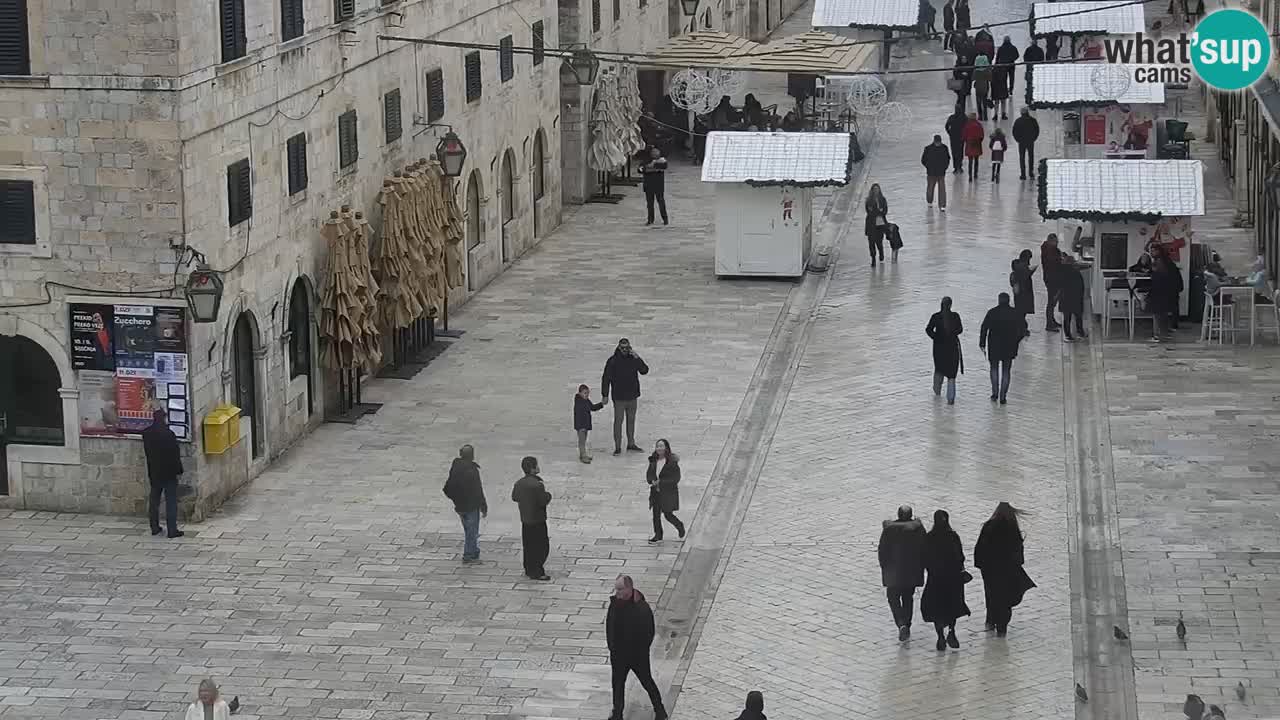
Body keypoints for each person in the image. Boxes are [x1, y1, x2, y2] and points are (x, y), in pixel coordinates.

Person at [607, 575, 668, 720]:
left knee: (647, 681)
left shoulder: (641, 608)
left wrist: (639, 652)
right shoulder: (615, 603)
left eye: (620, 589)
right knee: (617, 684)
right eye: (617, 589)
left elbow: (648, 633)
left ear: (629, 588)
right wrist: (612, 647)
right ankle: (617, 714)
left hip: (637, 656)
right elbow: (610, 625)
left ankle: (660, 711)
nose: (618, 593)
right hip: (618, 654)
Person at [975, 502, 1036, 637]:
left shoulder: (989, 526)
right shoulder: (1012, 529)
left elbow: (980, 548)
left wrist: (981, 565)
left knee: (991, 594)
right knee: (1005, 597)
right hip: (1007, 570)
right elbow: (1018, 552)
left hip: (990, 569)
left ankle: (991, 620)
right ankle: (1002, 626)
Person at [921, 509, 970, 651]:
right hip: (953, 578)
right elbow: (960, 556)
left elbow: (924, 557)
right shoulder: (953, 536)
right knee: (952, 606)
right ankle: (951, 631)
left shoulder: (930, 537)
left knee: (937, 608)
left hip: (935, 579)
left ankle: (940, 636)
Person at [878, 505, 927, 641]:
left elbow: (883, 551)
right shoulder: (918, 529)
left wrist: (885, 567)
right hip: (911, 572)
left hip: (893, 572)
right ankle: (907, 624)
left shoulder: (889, 530)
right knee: (907, 598)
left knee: (893, 597)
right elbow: (924, 549)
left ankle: (901, 623)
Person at [602, 338, 650, 455]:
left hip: (632, 396)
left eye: (626, 348)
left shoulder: (634, 359)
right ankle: (618, 447)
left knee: (631, 420)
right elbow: (606, 379)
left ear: (630, 348)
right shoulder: (612, 361)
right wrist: (605, 395)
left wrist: (637, 357)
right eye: (622, 348)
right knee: (618, 421)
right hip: (619, 397)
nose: (624, 350)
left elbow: (644, 370)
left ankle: (631, 443)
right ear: (618, 347)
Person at [142, 408, 184, 538]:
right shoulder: (168, 434)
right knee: (171, 501)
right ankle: (172, 530)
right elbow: (174, 454)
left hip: (154, 472)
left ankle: (154, 527)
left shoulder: (147, 433)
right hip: (169, 472)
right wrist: (179, 470)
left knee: (154, 500)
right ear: (164, 418)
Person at [979, 293, 1027, 404]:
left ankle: (995, 393)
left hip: (994, 345)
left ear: (999, 300)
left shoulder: (992, 312)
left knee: (994, 368)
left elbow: (984, 328)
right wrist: (1017, 340)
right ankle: (1003, 396)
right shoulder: (1015, 313)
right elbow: (1024, 327)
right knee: (1006, 371)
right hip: (1009, 345)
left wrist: (982, 343)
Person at [443, 444, 487, 563]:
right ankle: (469, 555)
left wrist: (455, 499)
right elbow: (478, 489)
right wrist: (483, 505)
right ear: (472, 456)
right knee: (472, 531)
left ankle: (473, 550)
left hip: (460, 506)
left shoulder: (455, 466)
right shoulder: (472, 470)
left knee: (468, 530)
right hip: (471, 505)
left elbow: (448, 486)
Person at [511, 456, 552, 581]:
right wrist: (548, 495)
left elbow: (514, 497)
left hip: (525, 520)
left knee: (528, 546)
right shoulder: (537, 485)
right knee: (541, 547)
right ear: (533, 469)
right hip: (538, 520)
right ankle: (538, 571)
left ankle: (529, 569)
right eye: (536, 465)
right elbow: (542, 501)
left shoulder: (519, 483)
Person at [926, 297, 964, 404]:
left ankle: (937, 390)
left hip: (939, 348)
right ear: (950, 305)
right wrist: (952, 334)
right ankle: (951, 398)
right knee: (952, 374)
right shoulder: (955, 316)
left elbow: (928, 329)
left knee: (939, 368)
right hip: (952, 348)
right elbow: (960, 329)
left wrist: (936, 337)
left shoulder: (936, 317)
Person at [646, 439, 685, 543]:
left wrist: (661, 482)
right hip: (656, 492)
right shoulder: (653, 461)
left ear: (666, 448)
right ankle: (658, 535)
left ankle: (679, 525)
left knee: (668, 514)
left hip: (667, 492)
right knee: (656, 515)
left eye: (661, 446)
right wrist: (652, 481)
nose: (659, 448)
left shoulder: (671, 462)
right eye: (657, 446)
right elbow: (649, 475)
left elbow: (676, 478)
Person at [1149, 249, 1183, 342]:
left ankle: (1157, 335)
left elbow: (1155, 283)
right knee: (1163, 314)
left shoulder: (1158, 268)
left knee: (1157, 314)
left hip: (1160, 294)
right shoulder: (1169, 265)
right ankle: (1165, 333)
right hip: (1168, 293)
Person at [574, 384, 606, 463]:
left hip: (585, 425)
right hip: (581, 426)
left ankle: (583, 455)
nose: (587, 395)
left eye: (588, 393)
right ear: (580, 393)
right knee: (582, 442)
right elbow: (582, 412)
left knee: (583, 441)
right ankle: (583, 456)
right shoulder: (578, 402)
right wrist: (581, 426)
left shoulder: (586, 400)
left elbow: (592, 408)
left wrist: (601, 404)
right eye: (585, 393)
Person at [1058, 260, 1088, 341]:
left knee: (1067, 318)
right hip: (1076, 299)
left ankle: (1068, 335)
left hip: (1065, 299)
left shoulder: (1061, 273)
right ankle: (1080, 332)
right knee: (1078, 316)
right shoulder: (1076, 274)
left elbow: (1059, 287)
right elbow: (1081, 287)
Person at [921, 134, 951, 211]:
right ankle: (933, 203)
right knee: (934, 188)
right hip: (935, 172)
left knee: (937, 189)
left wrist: (928, 167)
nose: (938, 143)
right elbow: (948, 159)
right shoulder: (943, 148)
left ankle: (939, 204)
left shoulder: (929, 149)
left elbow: (923, 160)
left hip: (936, 172)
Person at [640, 146, 668, 226]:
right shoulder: (646, 161)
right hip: (648, 185)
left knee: (661, 202)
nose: (655, 154)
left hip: (658, 186)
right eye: (653, 152)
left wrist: (651, 167)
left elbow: (663, 166)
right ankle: (650, 219)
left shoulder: (662, 161)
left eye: (656, 152)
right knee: (650, 204)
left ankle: (665, 219)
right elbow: (641, 169)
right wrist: (650, 168)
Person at [1040, 233, 1062, 331]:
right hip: (1052, 279)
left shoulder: (1048, 249)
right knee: (1051, 300)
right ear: (1050, 241)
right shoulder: (1049, 251)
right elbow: (1053, 263)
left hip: (1050, 277)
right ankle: (1049, 324)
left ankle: (1051, 320)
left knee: (1052, 300)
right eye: (1055, 242)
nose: (1057, 243)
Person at [1009, 250, 1037, 327]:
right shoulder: (1023, 267)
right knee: (1021, 311)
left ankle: (1020, 326)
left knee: (1020, 311)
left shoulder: (1017, 267)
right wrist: (1030, 271)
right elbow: (1024, 276)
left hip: (1021, 293)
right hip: (1024, 292)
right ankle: (1021, 327)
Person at [864, 183, 889, 267]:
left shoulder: (882, 199)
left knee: (879, 242)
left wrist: (879, 212)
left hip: (880, 224)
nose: (876, 191)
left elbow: (885, 211)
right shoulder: (869, 200)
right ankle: (873, 258)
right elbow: (870, 212)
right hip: (871, 224)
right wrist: (879, 211)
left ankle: (881, 256)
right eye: (874, 189)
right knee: (871, 242)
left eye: (877, 189)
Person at [1012, 107, 1040, 180]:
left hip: (1021, 142)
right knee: (1031, 157)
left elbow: (1014, 132)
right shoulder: (1033, 120)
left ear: (1021, 113)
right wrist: (1033, 138)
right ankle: (1031, 172)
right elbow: (1037, 130)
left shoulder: (1018, 121)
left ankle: (1023, 174)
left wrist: (1018, 140)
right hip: (1030, 141)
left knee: (1022, 157)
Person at [962, 112, 984, 181]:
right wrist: (979, 141)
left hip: (969, 143)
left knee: (970, 161)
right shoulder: (979, 125)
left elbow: (964, 135)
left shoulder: (967, 125)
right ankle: (975, 174)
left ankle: (970, 176)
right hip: (977, 143)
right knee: (976, 160)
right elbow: (982, 135)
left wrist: (966, 141)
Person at [996, 36, 1020, 100]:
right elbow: (1017, 55)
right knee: (1011, 78)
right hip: (1011, 64)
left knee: (1004, 78)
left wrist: (996, 64)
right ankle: (1011, 90)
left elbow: (998, 57)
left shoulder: (1001, 48)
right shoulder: (1013, 47)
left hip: (1003, 65)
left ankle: (1005, 91)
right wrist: (1012, 59)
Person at [945, 104, 967, 174]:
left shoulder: (952, 117)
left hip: (953, 137)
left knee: (954, 152)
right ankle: (959, 166)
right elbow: (967, 126)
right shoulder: (964, 117)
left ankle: (955, 167)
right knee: (960, 152)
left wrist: (950, 133)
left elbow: (946, 126)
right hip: (961, 137)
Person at [973, 56, 992, 121]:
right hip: (985, 86)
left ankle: (980, 116)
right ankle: (985, 116)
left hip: (978, 87)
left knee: (978, 102)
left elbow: (973, 78)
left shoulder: (976, 70)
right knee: (984, 102)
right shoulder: (987, 69)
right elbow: (990, 78)